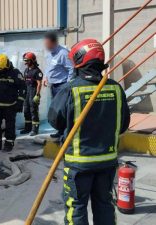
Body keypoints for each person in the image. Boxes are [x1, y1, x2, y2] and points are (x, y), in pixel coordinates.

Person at [48, 39, 130, 225]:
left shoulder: (70, 90)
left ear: (79, 60)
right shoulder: (116, 89)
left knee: (76, 206)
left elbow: (54, 120)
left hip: (79, 165)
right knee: (104, 204)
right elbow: (124, 124)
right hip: (107, 162)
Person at [43, 31, 74, 139]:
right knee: (57, 110)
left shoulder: (63, 53)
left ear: (53, 42)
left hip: (62, 86)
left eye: (47, 43)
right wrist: (45, 77)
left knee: (63, 109)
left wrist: (68, 84)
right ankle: (60, 131)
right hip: (53, 86)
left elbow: (71, 68)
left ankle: (66, 132)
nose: (46, 46)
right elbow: (48, 67)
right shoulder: (50, 54)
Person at [20, 52, 43, 136]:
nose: (25, 62)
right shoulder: (26, 70)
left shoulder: (37, 71)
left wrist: (37, 95)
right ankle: (27, 128)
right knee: (26, 110)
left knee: (33, 110)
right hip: (27, 91)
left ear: (32, 61)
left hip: (33, 91)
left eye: (27, 60)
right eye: (24, 60)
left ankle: (35, 129)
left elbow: (39, 84)